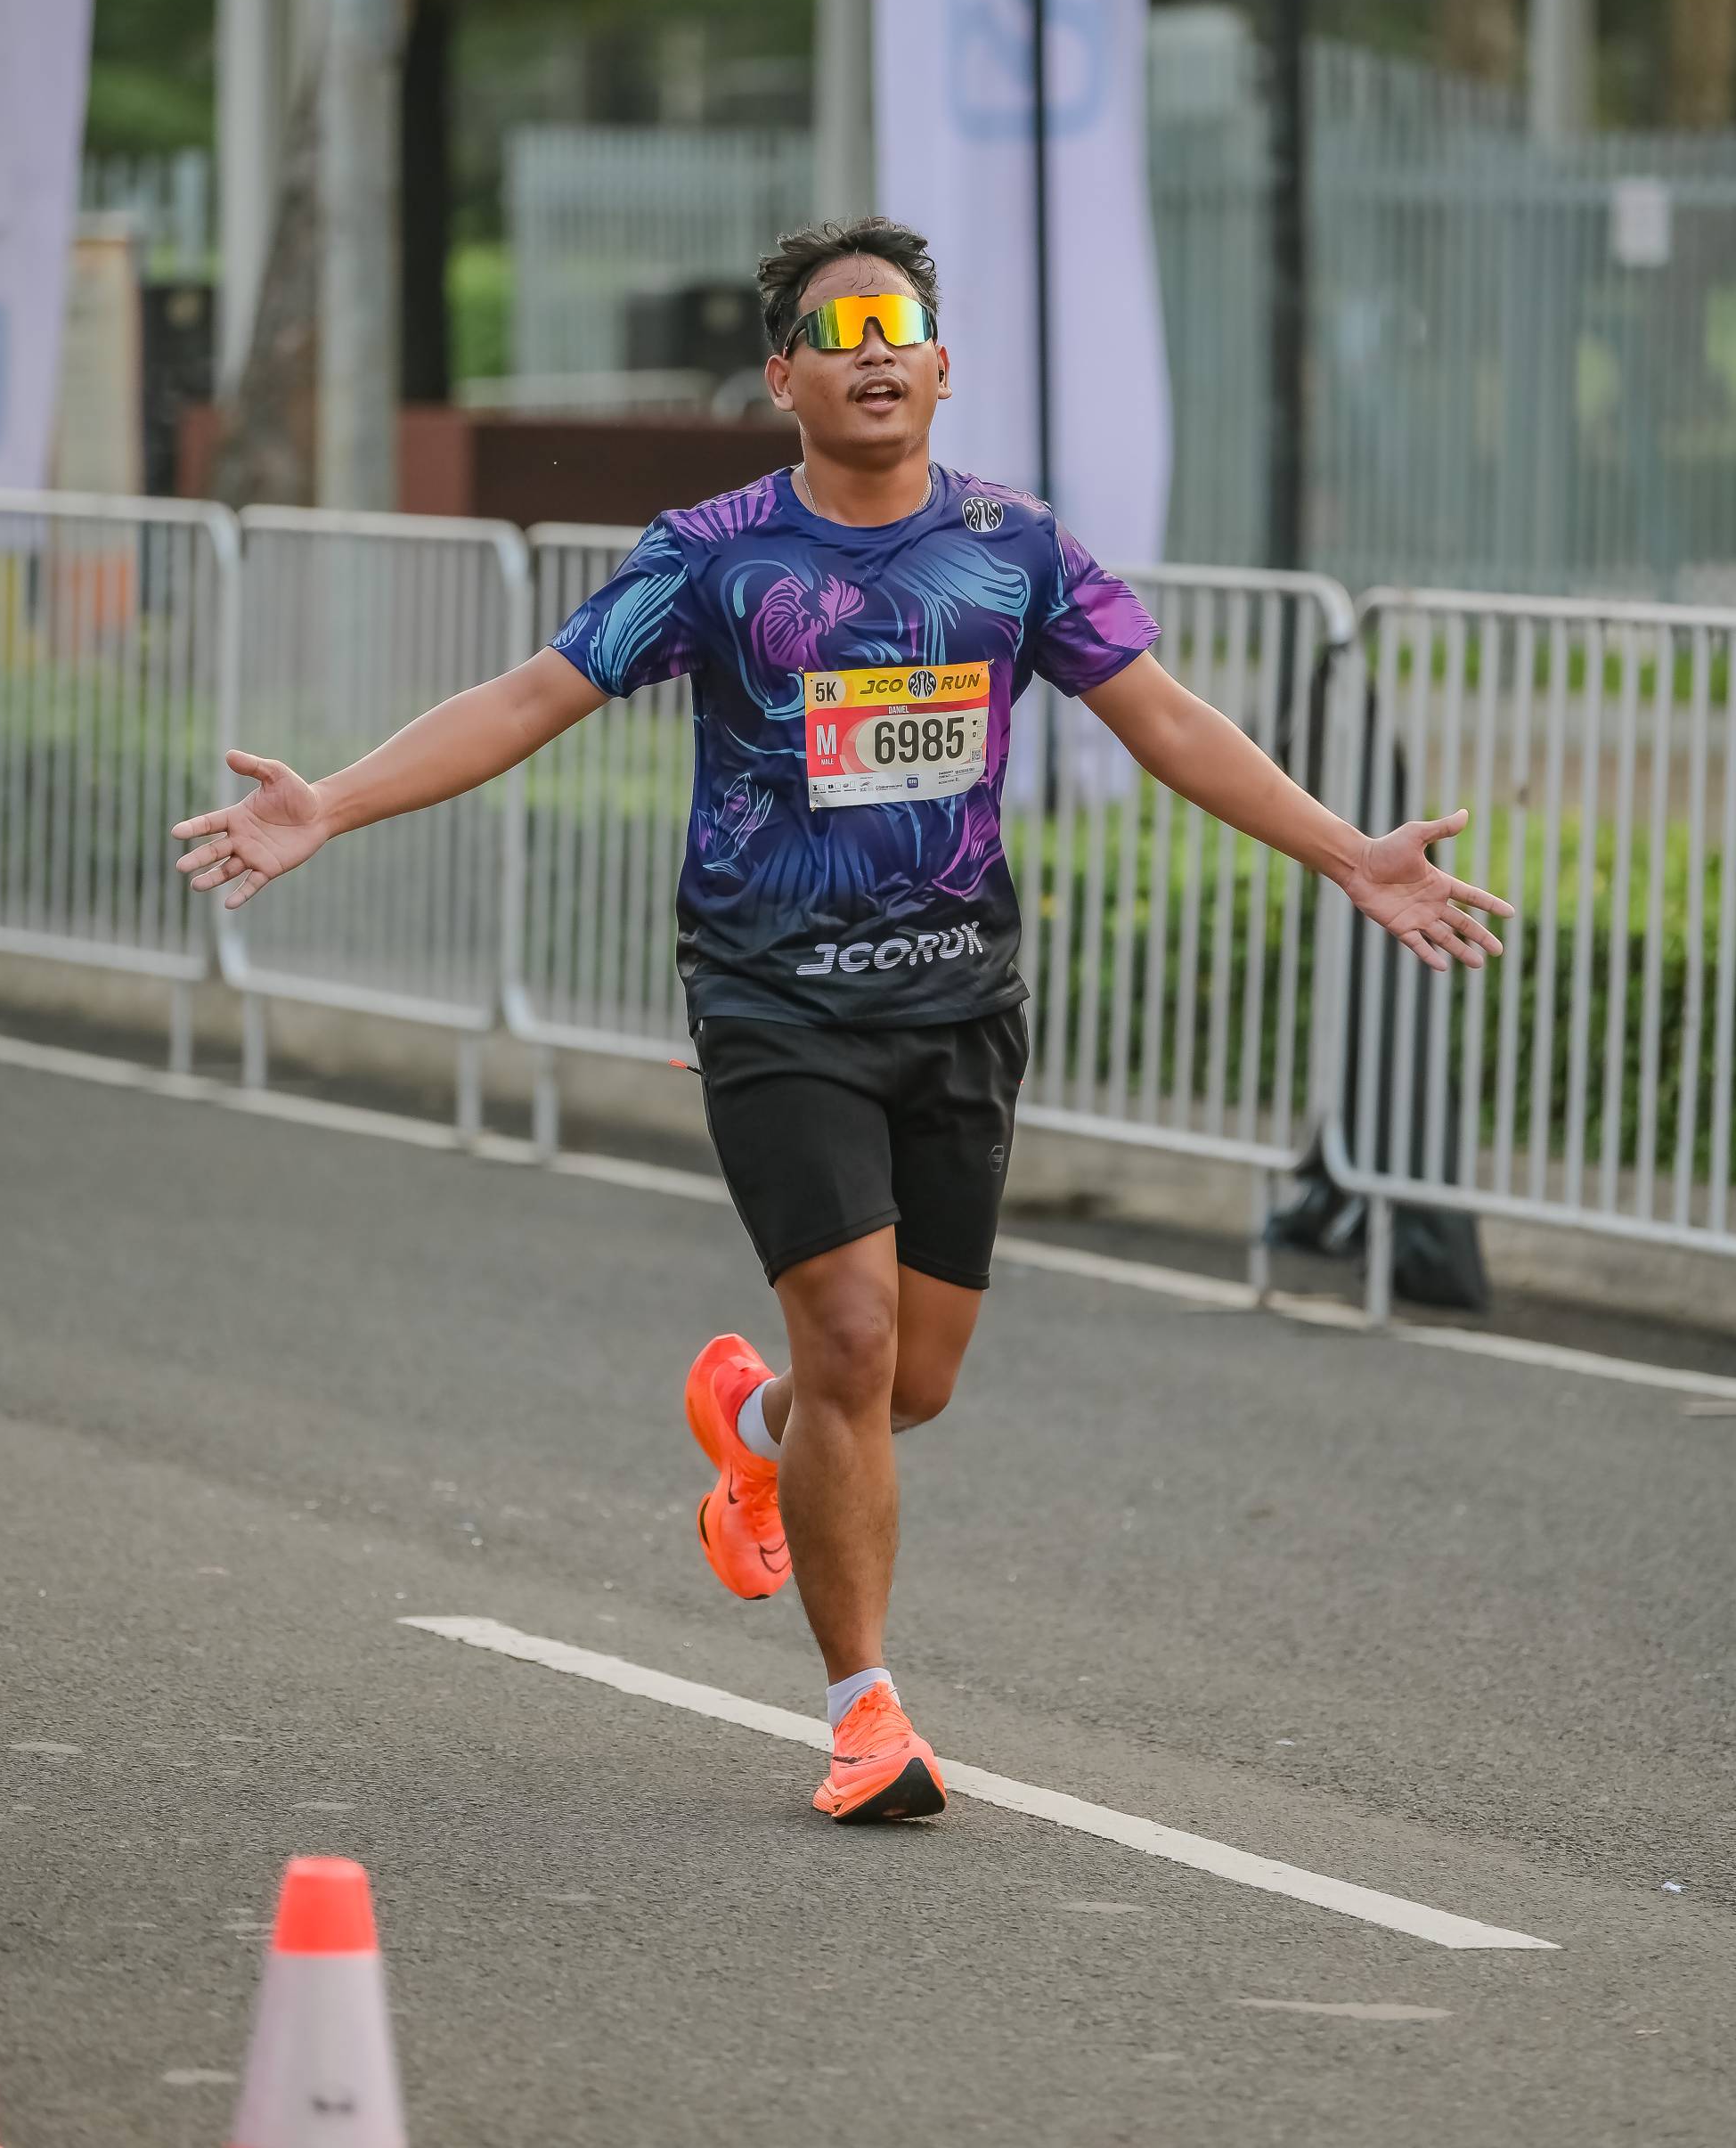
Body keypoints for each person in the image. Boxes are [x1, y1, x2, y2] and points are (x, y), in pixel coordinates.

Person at [173, 218, 1512, 1827]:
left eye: (899, 329)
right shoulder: (713, 554)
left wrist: (1349, 853)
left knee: (910, 1383)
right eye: (840, 332)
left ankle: (752, 1427)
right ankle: (863, 1711)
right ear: (782, 377)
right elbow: (532, 696)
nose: (874, 354)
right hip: (774, 1001)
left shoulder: (1015, 549)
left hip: (958, 999)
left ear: (941, 368)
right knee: (856, 1341)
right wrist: (333, 803)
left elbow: (1163, 720)